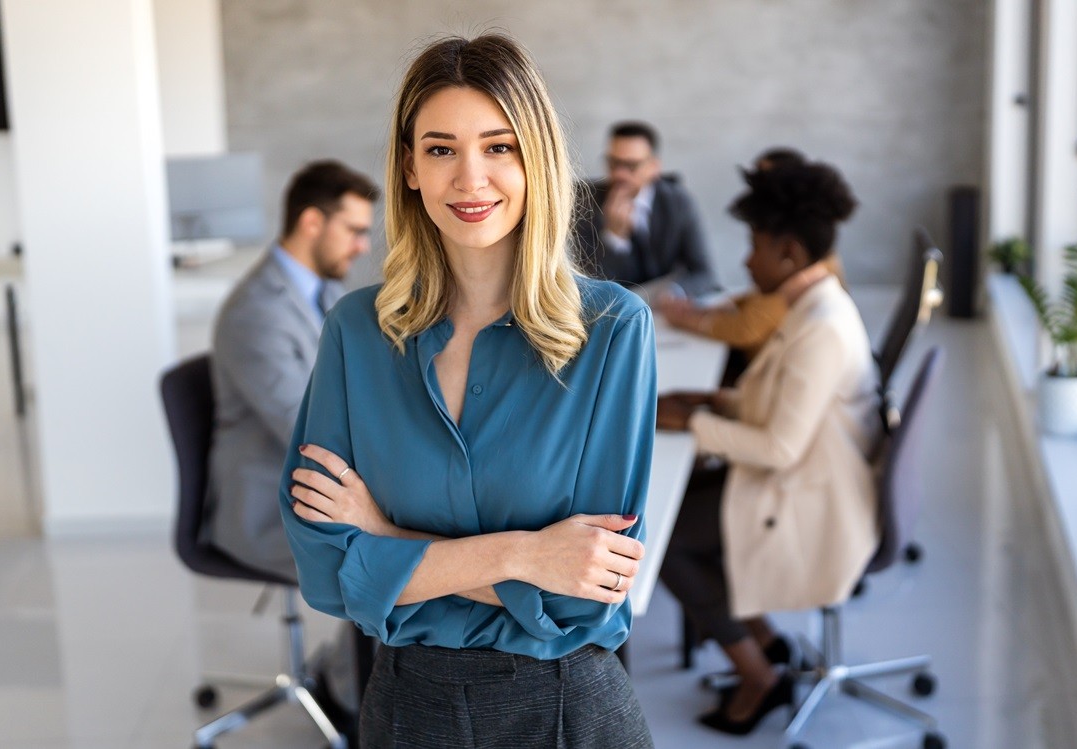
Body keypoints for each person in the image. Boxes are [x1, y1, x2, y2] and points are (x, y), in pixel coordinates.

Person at [277, 34, 656, 748]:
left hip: (565, 710)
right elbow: (328, 570)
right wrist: (523, 554)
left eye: (499, 146)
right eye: (442, 149)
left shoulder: (612, 331)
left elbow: (582, 592)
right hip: (404, 708)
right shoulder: (357, 333)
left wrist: (386, 542)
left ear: (535, 161)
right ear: (410, 168)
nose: (470, 178)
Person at [656, 159, 879, 736]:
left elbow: (780, 446)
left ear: (789, 253)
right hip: (810, 469)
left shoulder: (823, 325)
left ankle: (757, 675)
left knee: (669, 543)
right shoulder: (813, 303)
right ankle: (766, 641)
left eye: (755, 246)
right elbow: (779, 397)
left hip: (812, 493)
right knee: (681, 512)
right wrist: (712, 400)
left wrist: (692, 424)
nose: (747, 260)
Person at [203, 159, 378, 727]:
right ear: (311, 222)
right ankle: (358, 707)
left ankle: (353, 680)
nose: (362, 244)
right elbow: (308, 433)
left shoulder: (322, 292)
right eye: (353, 230)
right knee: (381, 543)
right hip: (262, 507)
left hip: (309, 483)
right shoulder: (256, 313)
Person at [657, 148, 845, 383]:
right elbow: (759, 302)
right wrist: (712, 309)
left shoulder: (806, 276)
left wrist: (688, 320)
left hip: (757, 371)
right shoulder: (806, 261)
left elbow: (748, 328)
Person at [574, 120, 719, 297]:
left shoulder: (677, 201)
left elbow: (704, 273)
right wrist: (613, 238)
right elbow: (586, 284)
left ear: (653, 167)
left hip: (664, 311)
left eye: (631, 166)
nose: (620, 174)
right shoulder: (584, 201)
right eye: (613, 163)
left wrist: (673, 293)